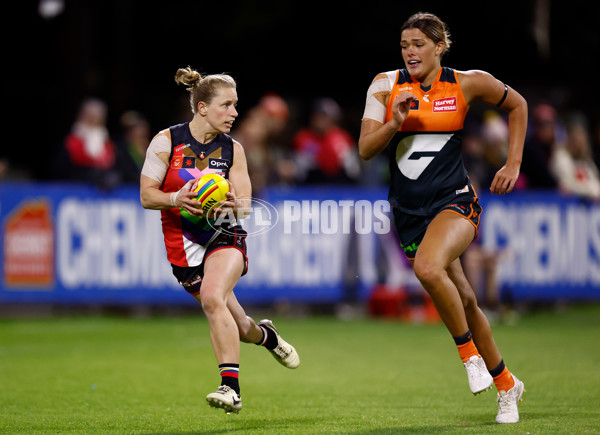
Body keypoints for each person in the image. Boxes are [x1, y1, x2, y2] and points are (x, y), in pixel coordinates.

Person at [358, 12, 527, 424]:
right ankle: (507, 385)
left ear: (439, 46)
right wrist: (394, 122)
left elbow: (518, 104)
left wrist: (513, 163)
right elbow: (364, 149)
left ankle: (469, 356)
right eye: (404, 45)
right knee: (465, 299)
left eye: (418, 44)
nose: (410, 52)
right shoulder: (385, 85)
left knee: (429, 268)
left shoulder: (467, 82)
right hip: (409, 212)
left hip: (455, 202)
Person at [139, 66, 300, 414]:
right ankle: (267, 336)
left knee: (213, 297)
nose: (235, 113)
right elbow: (146, 195)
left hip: (225, 235)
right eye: (227, 105)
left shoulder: (233, 149)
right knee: (241, 326)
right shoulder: (167, 141)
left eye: (235, 105)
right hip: (183, 247)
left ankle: (231, 389)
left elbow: (245, 203)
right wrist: (174, 199)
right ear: (202, 108)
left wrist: (233, 205)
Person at [53, 98, 120, 189]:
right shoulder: (72, 140)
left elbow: (111, 163)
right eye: (89, 116)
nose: (92, 121)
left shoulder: (106, 142)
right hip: (75, 187)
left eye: (96, 118)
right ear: (81, 116)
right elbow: (63, 168)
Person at [293, 97, 361, 184]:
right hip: (311, 186)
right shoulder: (303, 137)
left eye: (327, 117)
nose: (322, 120)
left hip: (338, 185)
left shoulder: (343, 138)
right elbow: (299, 173)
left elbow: (354, 172)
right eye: (320, 116)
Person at [550, 113, 600, 201]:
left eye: (582, 135)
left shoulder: (586, 160)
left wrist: (594, 191)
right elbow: (567, 185)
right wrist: (591, 192)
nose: (580, 140)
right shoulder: (561, 157)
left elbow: (595, 182)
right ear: (569, 137)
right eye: (576, 135)